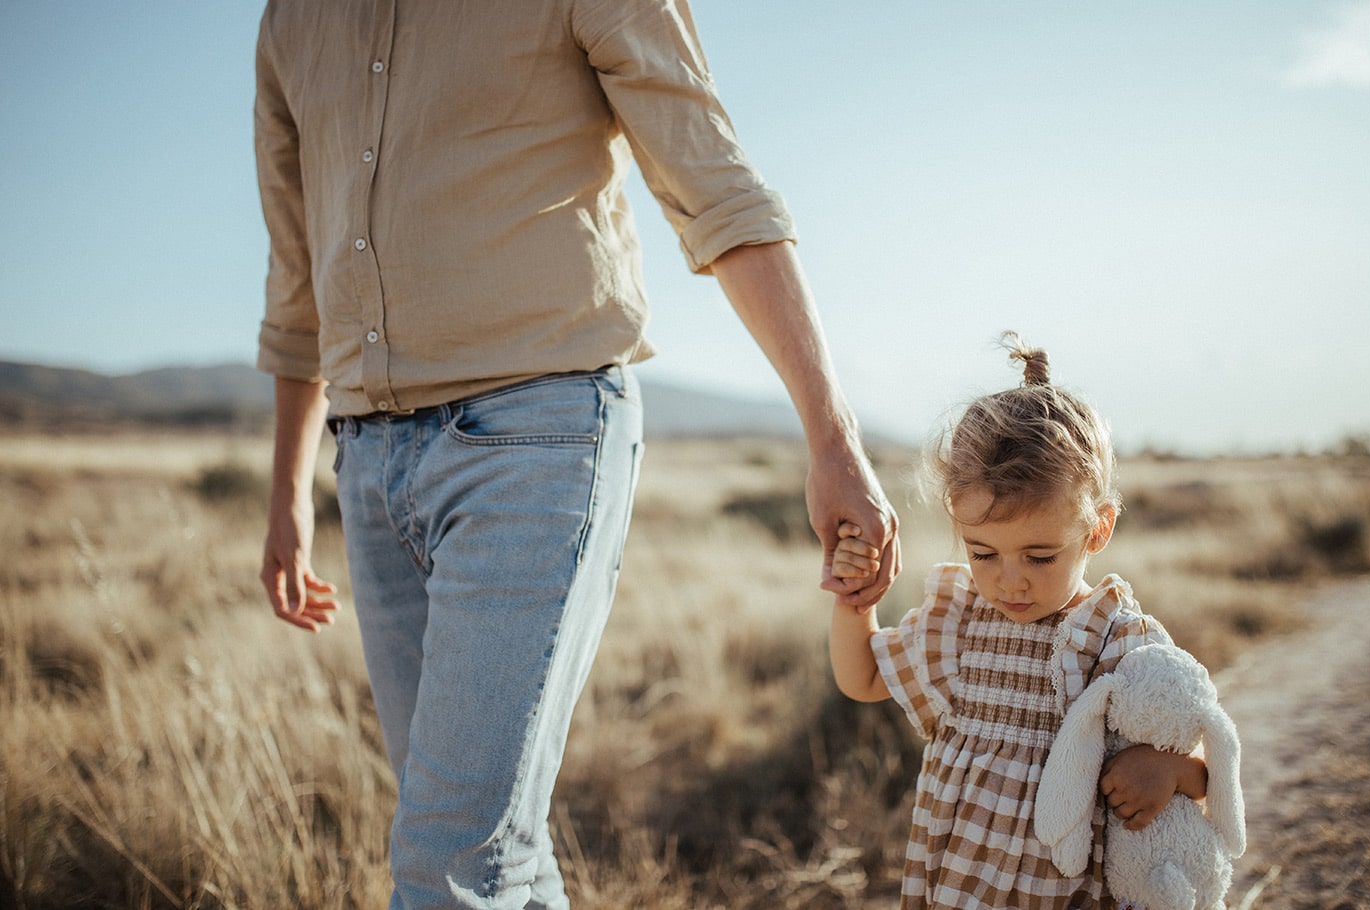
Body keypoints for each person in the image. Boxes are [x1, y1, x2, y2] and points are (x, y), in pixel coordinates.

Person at [251, 2, 899, 908]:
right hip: (364, 458)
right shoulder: (291, 22)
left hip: (534, 436)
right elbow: (296, 283)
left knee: (447, 857)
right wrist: (288, 495)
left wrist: (832, 436)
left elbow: (715, 185)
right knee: (490, 840)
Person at [826, 333, 1207, 909]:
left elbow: (1210, 766)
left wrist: (1168, 771)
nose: (1010, 582)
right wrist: (855, 602)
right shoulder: (960, 624)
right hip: (957, 886)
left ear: (1098, 530)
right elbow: (864, 678)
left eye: (1040, 557)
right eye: (983, 553)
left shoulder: (1121, 640)